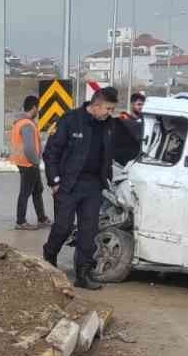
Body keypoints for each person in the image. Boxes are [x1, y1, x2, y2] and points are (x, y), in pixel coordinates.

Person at [43, 86, 117, 289]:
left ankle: (83, 274)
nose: (110, 113)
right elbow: (51, 153)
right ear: (96, 105)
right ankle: (49, 255)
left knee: (88, 232)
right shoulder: (70, 120)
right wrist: (54, 181)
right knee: (63, 227)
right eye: (108, 109)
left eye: (112, 109)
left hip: (93, 186)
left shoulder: (109, 125)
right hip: (69, 184)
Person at [8, 94, 47, 229]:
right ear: (34, 108)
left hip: (23, 162)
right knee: (25, 193)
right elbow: (29, 147)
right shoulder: (27, 124)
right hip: (29, 163)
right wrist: (35, 161)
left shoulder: (19, 122)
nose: (38, 111)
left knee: (37, 190)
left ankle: (42, 218)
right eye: (38, 108)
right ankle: (21, 222)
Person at [112, 90, 145, 168]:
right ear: (132, 104)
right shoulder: (122, 120)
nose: (141, 107)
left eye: (143, 105)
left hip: (138, 162)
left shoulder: (145, 122)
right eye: (139, 104)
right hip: (121, 164)